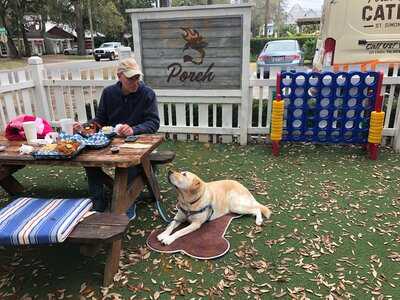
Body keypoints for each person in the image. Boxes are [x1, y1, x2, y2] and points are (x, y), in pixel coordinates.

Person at [74, 58, 160, 212]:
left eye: (137, 77)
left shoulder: (148, 94)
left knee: (129, 164)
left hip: (138, 143)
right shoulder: (109, 93)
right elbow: (100, 120)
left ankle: (126, 204)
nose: (135, 82)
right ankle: (98, 203)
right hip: (110, 143)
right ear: (119, 76)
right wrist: (86, 126)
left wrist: (133, 129)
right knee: (89, 160)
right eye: (130, 78)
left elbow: (153, 123)